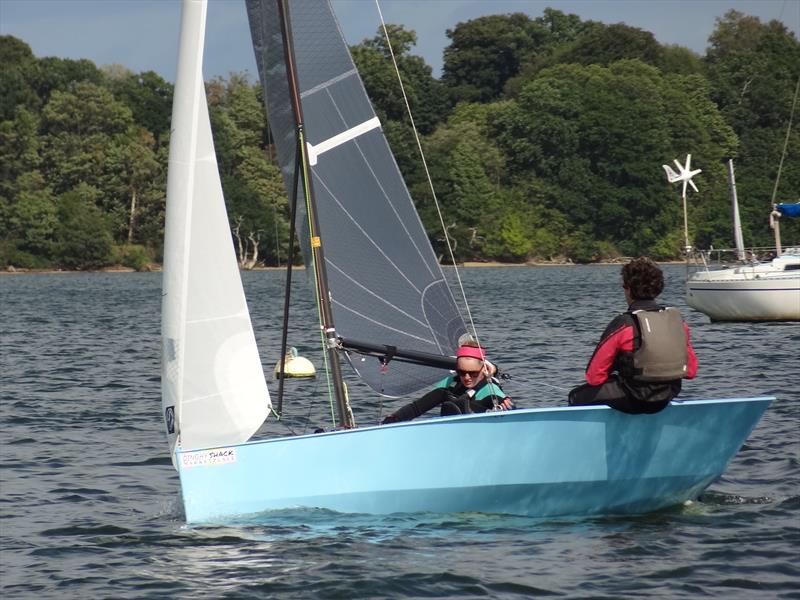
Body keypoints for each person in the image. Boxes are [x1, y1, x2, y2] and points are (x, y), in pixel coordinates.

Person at [568, 257, 698, 414]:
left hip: (634, 397)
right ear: (657, 288)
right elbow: (690, 372)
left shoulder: (624, 324)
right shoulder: (678, 323)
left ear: (628, 288)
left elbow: (594, 377)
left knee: (576, 396)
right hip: (668, 395)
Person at [381, 344, 512, 424]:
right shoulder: (450, 384)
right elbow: (417, 408)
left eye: (473, 373)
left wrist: (506, 404)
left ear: (483, 370)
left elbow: (510, 411)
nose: (467, 378)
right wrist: (393, 419)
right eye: (462, 372)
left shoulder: (491, 389)